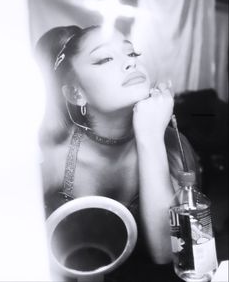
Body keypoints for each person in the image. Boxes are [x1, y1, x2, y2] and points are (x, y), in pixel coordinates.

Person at [35, 24, 200, 265]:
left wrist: (151, 138)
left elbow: (169, 253)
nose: (130, 63)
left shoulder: (175, 146)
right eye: (104, 59)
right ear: (75, 93)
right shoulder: (54, 155)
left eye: (132, 53)